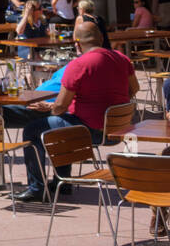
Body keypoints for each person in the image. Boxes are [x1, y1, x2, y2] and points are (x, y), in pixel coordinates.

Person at [14, 22, 136, 203]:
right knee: (62, 123)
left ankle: (37, 188)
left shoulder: (78, 65)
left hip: (88, 132)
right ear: (101, 39)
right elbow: (134, 88)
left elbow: (60, 107)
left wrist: (49, 107)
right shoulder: (121, 58)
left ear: (76, 43)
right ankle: (62, 182)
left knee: (33, 129)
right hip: (117, 131)